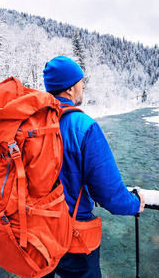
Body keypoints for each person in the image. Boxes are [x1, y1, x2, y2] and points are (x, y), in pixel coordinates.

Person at [42, 56, 145, 278]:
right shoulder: (84, 126)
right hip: (71, 234)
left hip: (34, 230)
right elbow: (108, 193)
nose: (84, 86)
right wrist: (134, 204)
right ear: (69, 89)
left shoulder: (30, 122)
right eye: (81, 82)